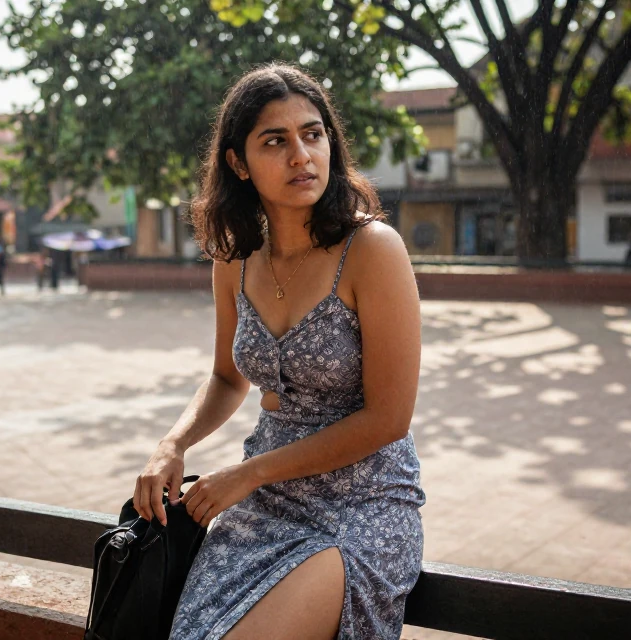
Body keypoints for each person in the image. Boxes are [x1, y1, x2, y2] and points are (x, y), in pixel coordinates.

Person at [133, 64, 425, 640]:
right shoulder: (235, 258)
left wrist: (247, 473)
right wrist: (172, 444)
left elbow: (389, 419)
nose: (302, 156)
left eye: (313, 135)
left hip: (362, 506)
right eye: (276, 141)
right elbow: (224, 378)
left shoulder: (371, 249)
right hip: (264, 505)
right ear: (238, 164)